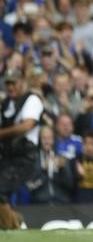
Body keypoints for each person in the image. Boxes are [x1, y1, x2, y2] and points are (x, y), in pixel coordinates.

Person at [0, 69, 44, 229]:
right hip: (7, 158)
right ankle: (15, 221)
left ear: (23, 83)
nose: (10, 87)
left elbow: (26, 126)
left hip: (24, 159)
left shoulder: (32, 100)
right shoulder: (5, 103)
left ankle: (15, 226)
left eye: (14, 83)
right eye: (7, 83)